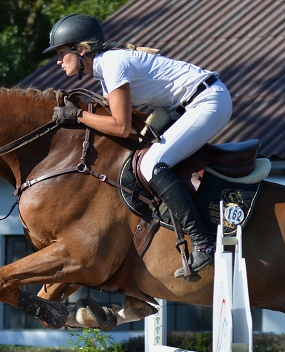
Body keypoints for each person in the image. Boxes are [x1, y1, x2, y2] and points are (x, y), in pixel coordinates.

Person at [45, 14, 233, 279]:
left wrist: (77, 116)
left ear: (81, 50)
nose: (58, 60)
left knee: (152, 165)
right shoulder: (105, 69)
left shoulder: (112, 65)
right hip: (190, 104)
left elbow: (120, 126)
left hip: (206, 102)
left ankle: (202, 242)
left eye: (62, 52)